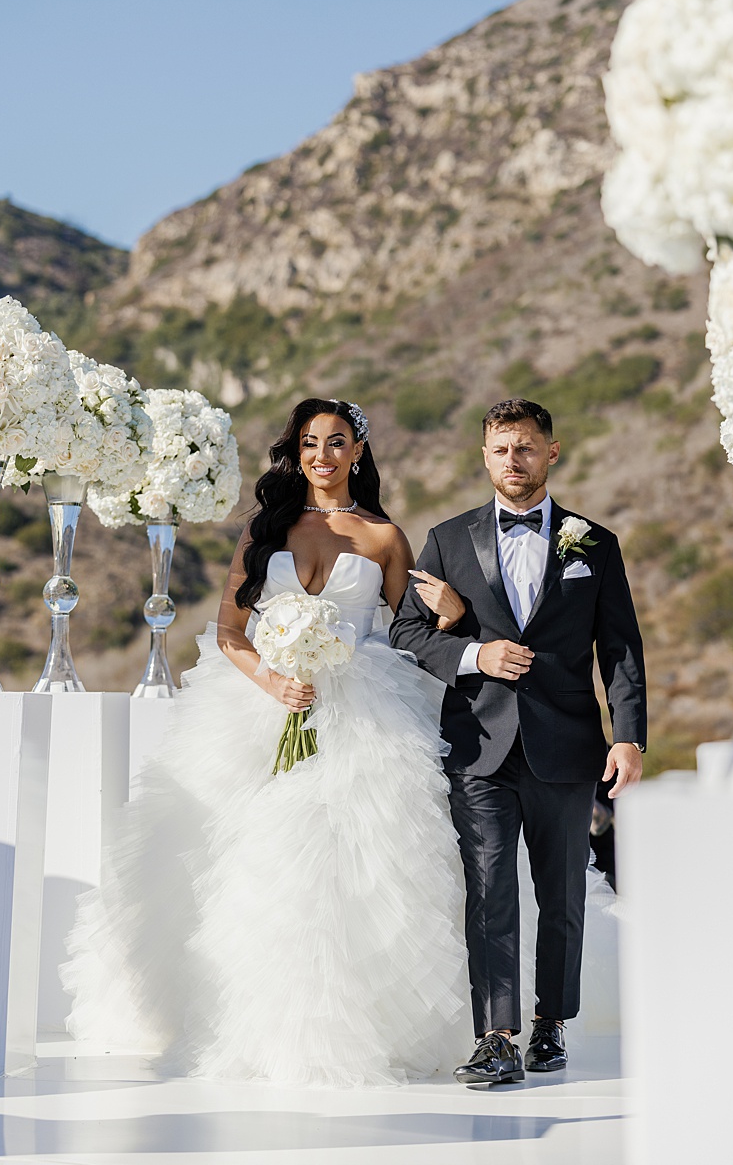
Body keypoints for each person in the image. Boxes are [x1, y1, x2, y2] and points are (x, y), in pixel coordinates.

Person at [62, 399, 470, 1085]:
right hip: (261, 706)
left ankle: (361, 1021)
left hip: (365, 710)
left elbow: (407, 636)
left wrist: (453, 616)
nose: (322, 455)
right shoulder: (266, 529)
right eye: (310, 443)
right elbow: (228, 633)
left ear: (358, 453)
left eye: (337, 442)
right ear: (296, 451)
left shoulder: (384, 538)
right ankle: (232, 1011)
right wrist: (273, 681)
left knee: (353, 860)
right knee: (234, 857)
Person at [391, 398, 645, 1085]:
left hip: (567, 747)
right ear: (485, 456)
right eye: (502, 449)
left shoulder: (595, 543)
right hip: (479, 746)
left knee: (561, 893)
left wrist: (629, 738)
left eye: (527, 447)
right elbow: (407, 634)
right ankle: (497, 1035)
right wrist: (476, 655)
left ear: (551, 453)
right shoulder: (446, 539)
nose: (514, 460)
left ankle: (551, 1022)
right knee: (489, 888)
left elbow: (619, 649)